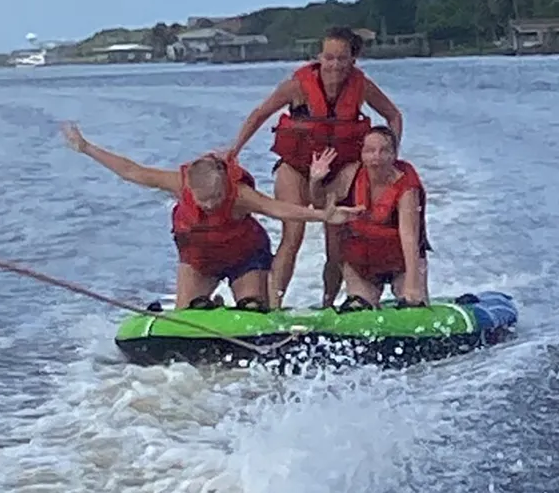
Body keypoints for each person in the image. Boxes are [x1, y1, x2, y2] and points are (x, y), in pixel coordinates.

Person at [60, 122, 364, 312]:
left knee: (253, 309)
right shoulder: (179, 183)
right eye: (203, 200)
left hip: (245, 256)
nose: (210, 205)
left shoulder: (239, 194)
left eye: (216, 198)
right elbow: (132, 171)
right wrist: (86, 148)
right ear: (190, 189)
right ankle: (212, 306)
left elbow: (278, 209)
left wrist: (325, 215)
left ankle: (246, 305)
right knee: (191, 315)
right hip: (200, 259)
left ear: (224, 186)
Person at [224, 26, 405, 309]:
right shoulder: (297, 86)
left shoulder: (362, 87)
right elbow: (260, 113)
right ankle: (273, 306)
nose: (334, 65)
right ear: (320, 56)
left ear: (352, 60)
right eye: (328, 57)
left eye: (341, 59)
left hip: (339, 169)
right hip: (296, 167)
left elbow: (393, 115)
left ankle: (328, 304)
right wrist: (234, 150)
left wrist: (389, 154)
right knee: (292, 234)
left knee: (335, 244)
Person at [308, 126, 430, 310]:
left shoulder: (407, 187)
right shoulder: (351, 174)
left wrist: (412, 283)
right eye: (370, 151)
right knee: (357, 308)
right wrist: (315, 180)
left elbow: (409, 236)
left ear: (394, 155)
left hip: (402, 263)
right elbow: (320, 205)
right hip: (363, 263)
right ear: (362, 154)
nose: (376, 157)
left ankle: (411, 293)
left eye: (384, 151)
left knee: (413, 304)